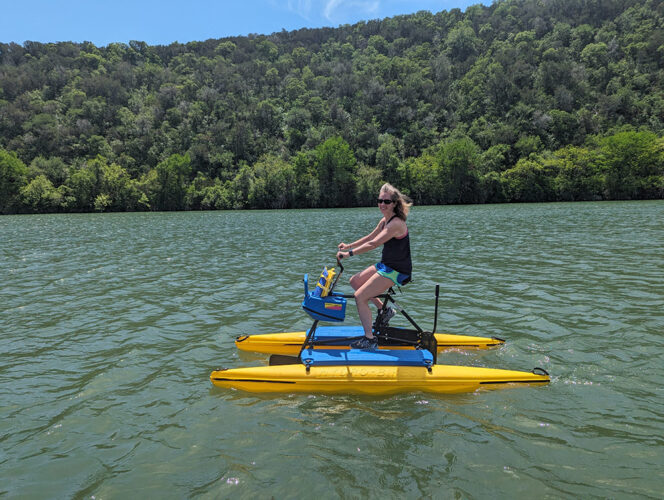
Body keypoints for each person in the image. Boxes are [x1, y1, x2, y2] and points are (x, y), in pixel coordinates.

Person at [336, 183, 412, 349]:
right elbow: (370, 237)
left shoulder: (396, 224)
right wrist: (348, 246)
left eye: (387, 201)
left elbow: (374, 243)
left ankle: (369, 339)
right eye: (380, 201)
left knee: (360, 296)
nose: (382, 204)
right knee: (355, 281)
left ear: (395, 203)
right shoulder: (384, 221)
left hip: (397, 271)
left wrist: (348, 255)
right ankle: (384, 311)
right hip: (386, 265)